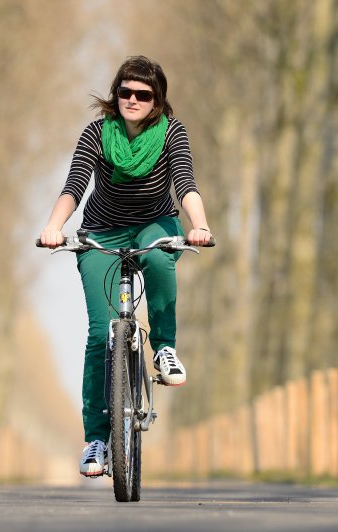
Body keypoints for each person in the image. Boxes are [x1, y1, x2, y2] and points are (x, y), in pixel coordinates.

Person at [39, 56, 212, 477]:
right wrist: (53, 226)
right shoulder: (97, 134)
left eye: (143, 94)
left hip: (154, 224)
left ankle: (165, 348)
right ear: (115, 96)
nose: (133, 99)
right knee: (101, 334)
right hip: (102, 231)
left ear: (157, 102)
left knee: (157, 258)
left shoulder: (172, 133)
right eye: (125, 92)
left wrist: (200, 225)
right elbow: (75, 184)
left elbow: (185, 183)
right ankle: (97, 440)